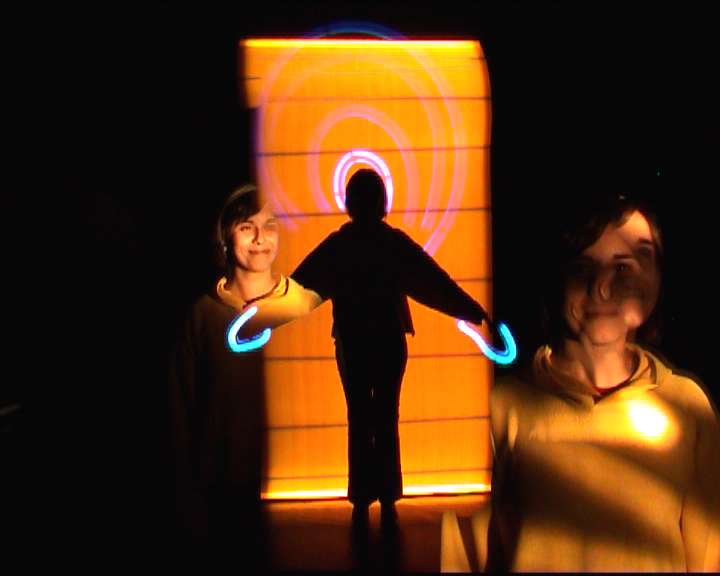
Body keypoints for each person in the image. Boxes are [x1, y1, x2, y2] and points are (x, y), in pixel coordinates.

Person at [476, 193, 720, 572]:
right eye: (582, 266)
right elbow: (473, 550)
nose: (602, 288)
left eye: (623, 267)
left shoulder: (688, 407)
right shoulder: (502, 405)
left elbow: (706, 556)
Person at [281, 169, 489, 529]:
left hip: (351, 341)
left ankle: (362, 500)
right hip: (389, 340)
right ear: (382, 201)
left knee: (359, 418)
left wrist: (259, 315)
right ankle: (388, 498)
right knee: (386, 416)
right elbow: (434, 283)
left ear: (349, 203)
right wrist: (472, 310)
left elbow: (298, 288)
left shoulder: (339, 246)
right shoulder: (392, 244)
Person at [168, 184, 309, 570]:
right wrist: (187, 495)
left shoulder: (299, 307)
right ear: (225, 238)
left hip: (292, 500)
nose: (260, 238)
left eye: (270, 226)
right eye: (247, 227)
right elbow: (180, 408)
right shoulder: (203, 314)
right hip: (221, 492)